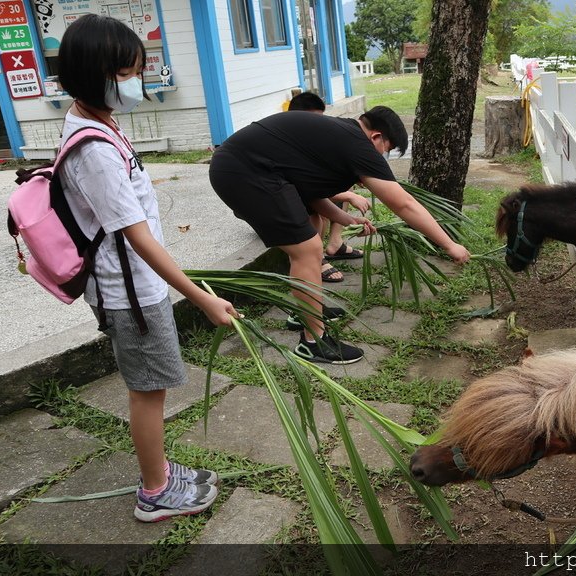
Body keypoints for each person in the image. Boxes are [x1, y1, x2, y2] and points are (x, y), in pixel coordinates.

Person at [56, 14, 239, 522]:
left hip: (135, 286)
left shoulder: (98, 124)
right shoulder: (94, 149)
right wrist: (199, 295)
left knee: (151, 387)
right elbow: (135, 236)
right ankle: (154, 491)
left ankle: (157, 469)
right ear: (96, 74)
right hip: (130, 292)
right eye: (127, 72)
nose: (136, 81)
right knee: (148, 392)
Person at [209, 105, 470, 365]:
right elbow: (403, 204)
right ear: (376, 137)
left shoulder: (340, 134)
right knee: (308, 248)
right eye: (386, 152)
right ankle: (313, 342)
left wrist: (345, 218)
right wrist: (448, 244)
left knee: (312, 228)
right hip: (244, 171)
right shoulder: (358, 143)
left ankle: (304, 313)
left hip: (249, 167)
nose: (382, 159)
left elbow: (307, 188)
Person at [286, 92, 371, 284]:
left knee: (342, 183)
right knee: (315, 210)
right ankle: (317, 258)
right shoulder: (288, 141)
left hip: (300, 194)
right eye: (314, 121)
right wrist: (348, 196)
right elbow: (302, 187)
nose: (319, 127)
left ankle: (335, 243)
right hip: (274, 208)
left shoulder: (312, 141)